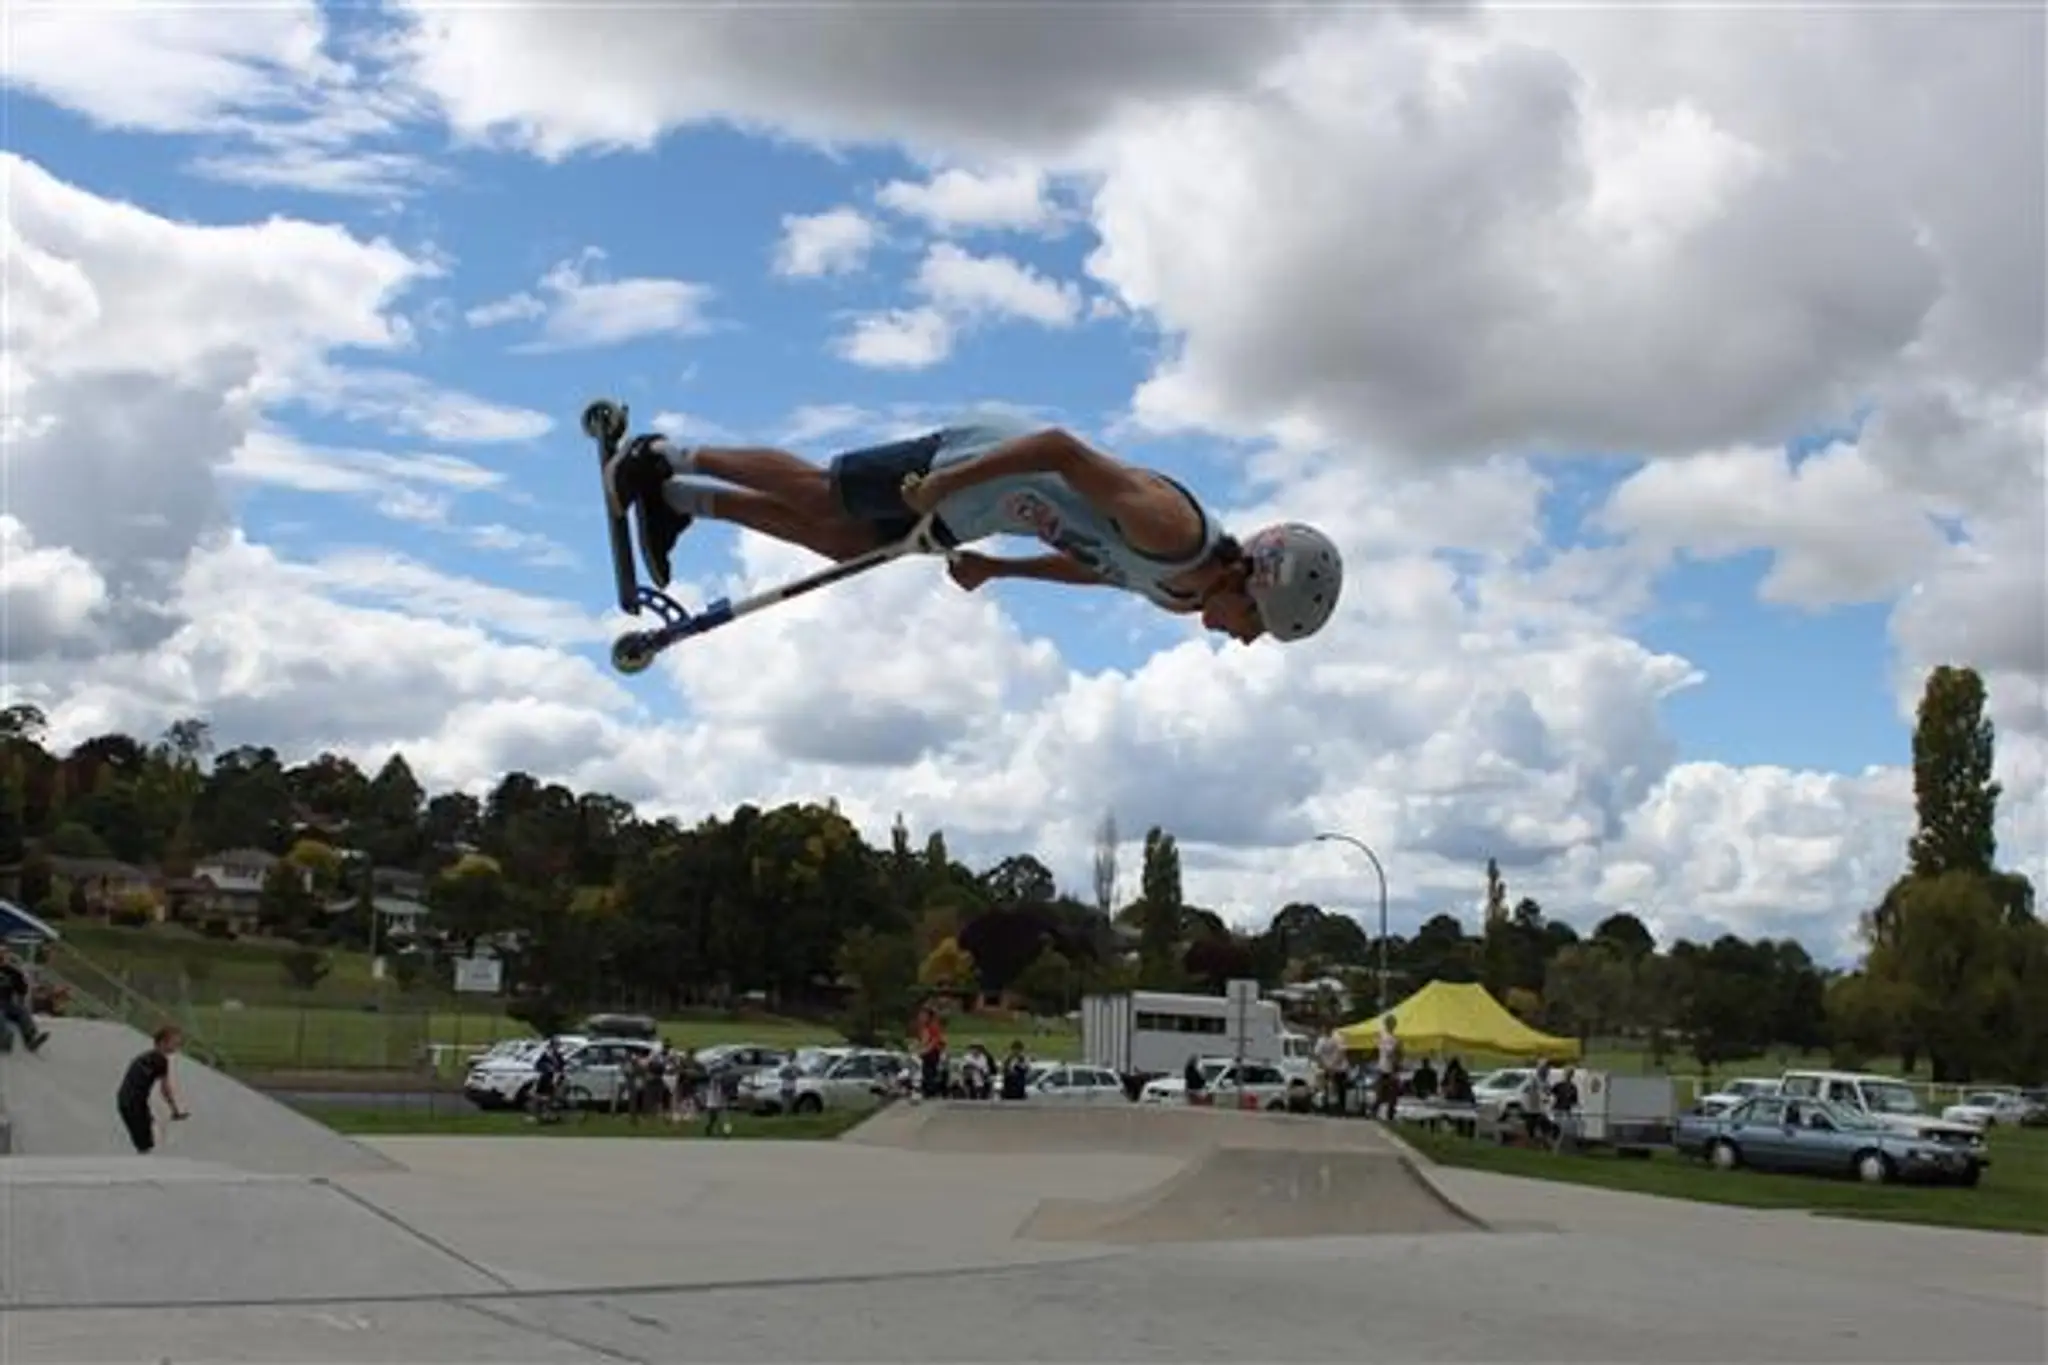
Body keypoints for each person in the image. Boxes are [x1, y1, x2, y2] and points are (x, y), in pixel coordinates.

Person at [602, 416, 1344, 645]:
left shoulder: (1183, 594)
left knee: (843, 543)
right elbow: (1058, 447)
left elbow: (1097, 565)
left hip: (976, 510)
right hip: (970, 464)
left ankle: (678, 501)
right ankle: (664, 455)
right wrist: (949, 482)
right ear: (1250, 578)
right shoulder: (1171, 525)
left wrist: (1000, 569)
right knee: (825, 494)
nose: (1244, 639)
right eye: (1256, 624)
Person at [116, 1025, 186, 1153]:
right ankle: (145, 1168)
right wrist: (175, 1110)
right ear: (162, 1042)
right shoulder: (161, 1060)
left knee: (145, 1136)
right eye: (174, 1043)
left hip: (125, 1100)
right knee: (145, 1144)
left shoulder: (144, 1057)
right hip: (135, 1102)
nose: (177, 1047)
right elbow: (165, 1090)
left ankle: (145, 1158)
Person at [0, 949, 48, 1052]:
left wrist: (19, 977)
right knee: (1, 1017)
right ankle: (4, 1040)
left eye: (3, 953)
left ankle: (30, 1039)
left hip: (6, 1003)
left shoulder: (11, 972)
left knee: (22, 1012)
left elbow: (22, 990)